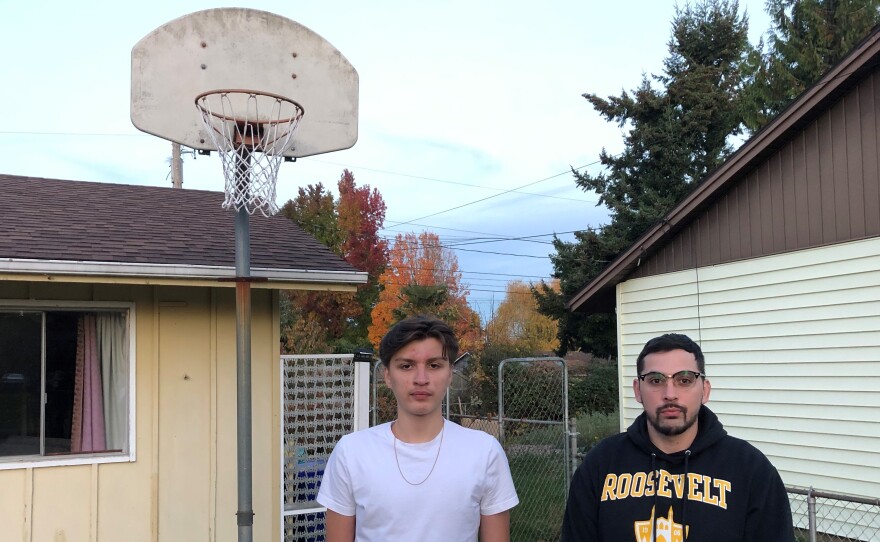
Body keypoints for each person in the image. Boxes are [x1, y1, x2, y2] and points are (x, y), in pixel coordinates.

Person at [561, 333, 794, 542]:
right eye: (655, 380)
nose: (670, 394)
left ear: (705, 390)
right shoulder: (601, 465)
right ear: (637, 390)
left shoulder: (751, 470)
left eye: (684, 380)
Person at [317, 315, 519, 541]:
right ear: (388, 375)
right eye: (406, 366)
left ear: (450, 373)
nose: (421, 379)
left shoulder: (484, 452)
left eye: (434, 365)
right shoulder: (352, 452)